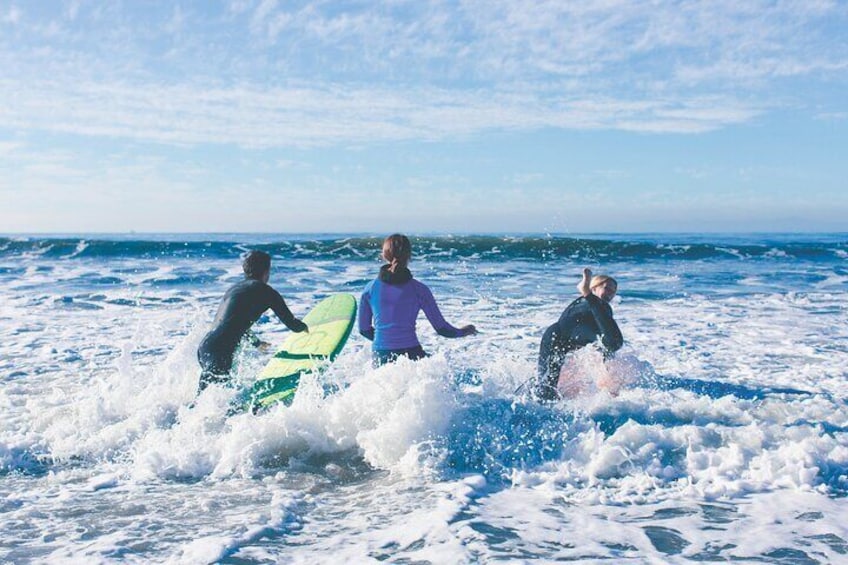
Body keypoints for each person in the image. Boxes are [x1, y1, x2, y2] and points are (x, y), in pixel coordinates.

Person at [197, 250, 308, 392]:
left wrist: (257, 343)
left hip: (205, 348)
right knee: (215, 402)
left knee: (210, 398)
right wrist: (307, 327)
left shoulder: (234, 289)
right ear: (266, 271)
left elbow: (233, 324)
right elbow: (292, 324)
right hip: (220, 352)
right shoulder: (267, 292)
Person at [359, 234, 477, 366]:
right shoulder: (419, 289)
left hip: (380, 355)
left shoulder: (370, 289)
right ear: (409, 256)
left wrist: (387, 342)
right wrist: (465, 331)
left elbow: (364, 330)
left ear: (384, 255)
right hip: (411, 354)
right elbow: (442, 329)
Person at [535, 268, 623, 401]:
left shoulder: (588, 307)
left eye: (613, 291)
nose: (610, 294)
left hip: (558, 338)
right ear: (594, 288)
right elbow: (609, 342)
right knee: (546, 387)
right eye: (607, 288)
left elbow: (602, 340)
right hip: (554, 338)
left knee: (546, 386)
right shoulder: (601, 307)